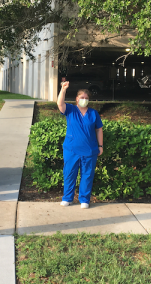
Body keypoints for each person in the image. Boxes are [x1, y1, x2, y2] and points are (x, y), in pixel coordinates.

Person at [57, 81, 103, 209]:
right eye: (82, 98)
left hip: (90, 150)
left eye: (86, 98)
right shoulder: (71, 110)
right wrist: (63, 89)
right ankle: (67, 198)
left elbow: (99, 129)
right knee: (69, 173)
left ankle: (84, 199)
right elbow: (60, 103)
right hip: (71, 149)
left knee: (87, 175)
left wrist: (100, 146)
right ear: (77, 99)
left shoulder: (93, 113)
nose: (84, 100)